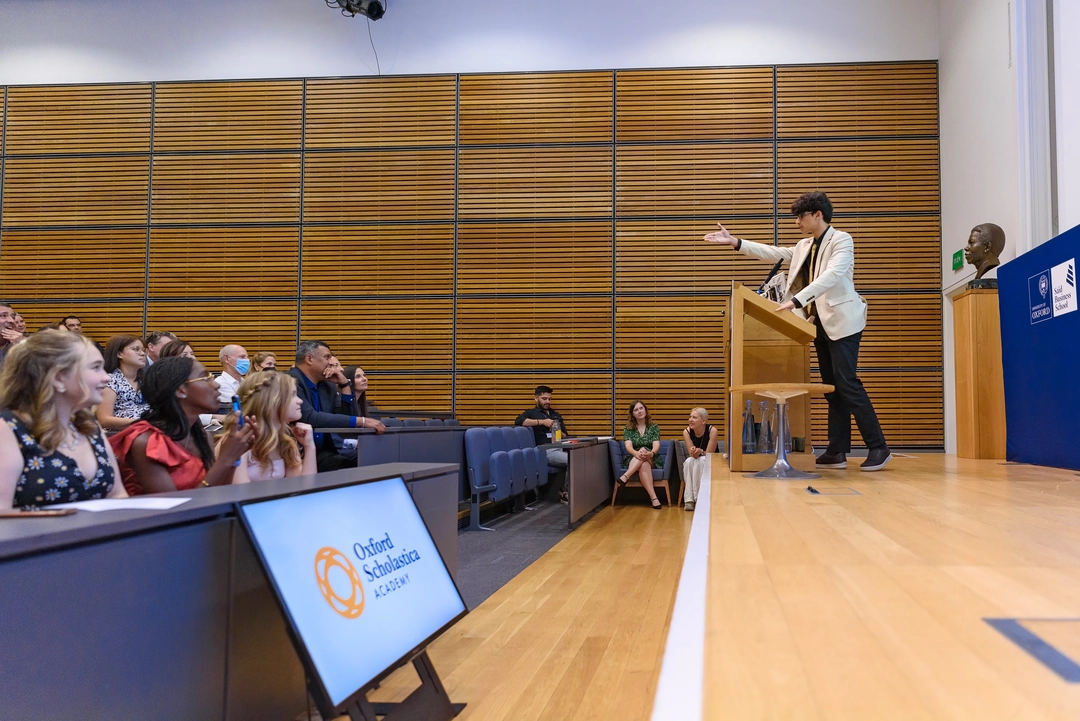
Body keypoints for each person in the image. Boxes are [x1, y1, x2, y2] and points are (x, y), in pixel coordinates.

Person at [705, 190, 891, 471]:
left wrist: (796, 299)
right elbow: (774, 252)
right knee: (833, 389)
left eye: (800, 216)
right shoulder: (805, 246)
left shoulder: (842, 240)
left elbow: (833, 276)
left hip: (843, 323)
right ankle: (837, 451)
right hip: (820, 326)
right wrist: (737, 242)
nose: (796, 222)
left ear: (818, 215)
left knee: (848, 384)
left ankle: (879, 447)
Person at [0, 330, 128, 509]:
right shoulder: (7, 429)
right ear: (58, 378)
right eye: (95, 367)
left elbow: (118, 494)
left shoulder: (88, 425)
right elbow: (2, 516)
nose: (106, 377)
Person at [109, 356, 256, 495]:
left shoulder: (202, 435)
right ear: (180, 390)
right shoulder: (146, 442)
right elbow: (176, 510)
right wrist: (226, 459)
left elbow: (218, 493)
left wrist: (234, 456)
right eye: (206, 378)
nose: (216, 384)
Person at [287, 340, 383, 472]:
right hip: (296, 451)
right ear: (309, 359)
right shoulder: (290, 380)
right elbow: (309, 417)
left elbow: (347, 418)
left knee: (371, 459)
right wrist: (362, 421)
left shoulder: (327, 385)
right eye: (327, 357)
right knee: (356, 467)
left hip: (322, 451)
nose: (331, 363)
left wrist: (344, 384)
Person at [221, 371, 316, 482]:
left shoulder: (285, 443)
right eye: (293, 395)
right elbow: (241, 495)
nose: (300, 401)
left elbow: (304, 488)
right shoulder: (238, 443)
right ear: (272, 401)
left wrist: (309, 447)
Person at [514, 384, 570, 501]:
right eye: (544, 399)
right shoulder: (532, 413)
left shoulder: (556, 415)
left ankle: (566, 491)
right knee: (574, 460)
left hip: (559, 447)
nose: (547, 402)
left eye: (549, 399)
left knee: (580, 458)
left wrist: (557, 429)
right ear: (536, 398)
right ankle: (566, 492)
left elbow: (565, 435)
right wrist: (542, 422)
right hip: (545, 451)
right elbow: (519, 421)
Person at [96, 334, 149, 433]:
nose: (142, 353)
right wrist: (142, 423)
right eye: (136, 349)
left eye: (143, 350)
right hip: (119, 434)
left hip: (146, 431)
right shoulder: (110, 380)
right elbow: (104, 419)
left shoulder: (146, 380)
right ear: (119, 354)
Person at [616, 400, 663, 509]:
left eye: (641, 408)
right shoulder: (628, 429)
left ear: (645, 410)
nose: (639, 411)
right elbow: (628, 447)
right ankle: (654, 498)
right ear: (632, 414)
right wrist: (637, 453)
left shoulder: (654, 427)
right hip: (634, 457)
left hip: (652, 457)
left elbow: (656, 444)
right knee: (644, 464)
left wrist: (651, 453)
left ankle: (625, 476)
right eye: (636, 410)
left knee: (644, 455)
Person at [681, 407, 718, 511]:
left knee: (702, 460)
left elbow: (710, 454)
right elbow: (691, 454)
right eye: (690, 417)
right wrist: (694, 451)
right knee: (688, 461)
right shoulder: (687, 432)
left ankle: (699, 498)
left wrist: (701, 451)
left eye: (694, 417)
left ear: (703, 421)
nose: (690, 420)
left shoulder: (712, 431)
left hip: (712, 462)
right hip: (695, 461)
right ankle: (689, 500)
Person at [342, 364, 386, 433]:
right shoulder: (343, 405)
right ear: (349, 381)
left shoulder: (360, 405)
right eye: (358, 377)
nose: (364, 379)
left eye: (364, 375)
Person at [0, 302, 21, 367]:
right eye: (3, 316)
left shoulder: (25, 343)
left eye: (13, 317)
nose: (11, 320)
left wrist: (23, 345)